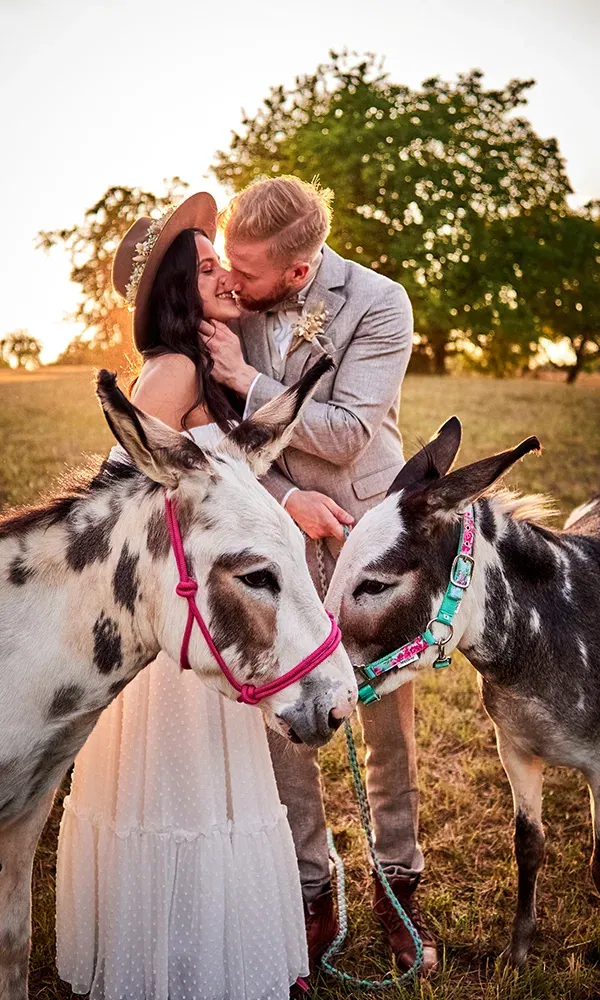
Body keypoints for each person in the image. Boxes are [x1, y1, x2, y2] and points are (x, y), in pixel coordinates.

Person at [55, 192, 309, 1000]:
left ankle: (220, 956)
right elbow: (109, 499)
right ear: (176, 289)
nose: (226, 275)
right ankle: (176, 969)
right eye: (206, 269)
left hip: (210, 610)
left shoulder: (208, 368)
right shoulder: (172, 373)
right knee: (179, 791)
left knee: (216, 784)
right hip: (176, 619)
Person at [201, 176, 439, 982]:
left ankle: (398, 885)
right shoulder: (227, 309)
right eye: (227, 261)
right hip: (272, 538)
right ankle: (310, 888)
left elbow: (343, 434)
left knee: (386, 733)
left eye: (248, 269)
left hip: (366, 543)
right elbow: (221, 442)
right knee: (285, 724)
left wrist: (246, 378)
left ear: (299, 274)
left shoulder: (381, 303)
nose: (230, 279)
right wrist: (282, 499)